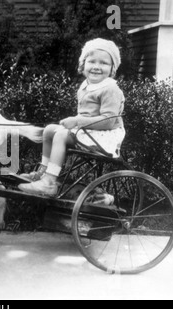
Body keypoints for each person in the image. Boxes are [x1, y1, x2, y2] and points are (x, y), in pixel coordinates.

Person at [19, 38, 125, 196]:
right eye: (91, 62)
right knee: (49, 130)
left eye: (104, 63)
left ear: (112, 68)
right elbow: (86, 113)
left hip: (104, 136)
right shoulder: (86, 86)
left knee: (61, 135)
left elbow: (108, 121)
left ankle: (49, 183)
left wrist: (76, 121)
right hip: (88, 131)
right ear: (83, 65)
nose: (96, 67)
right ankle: (43, 172)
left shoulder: (110, 89)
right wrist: (74, 123)